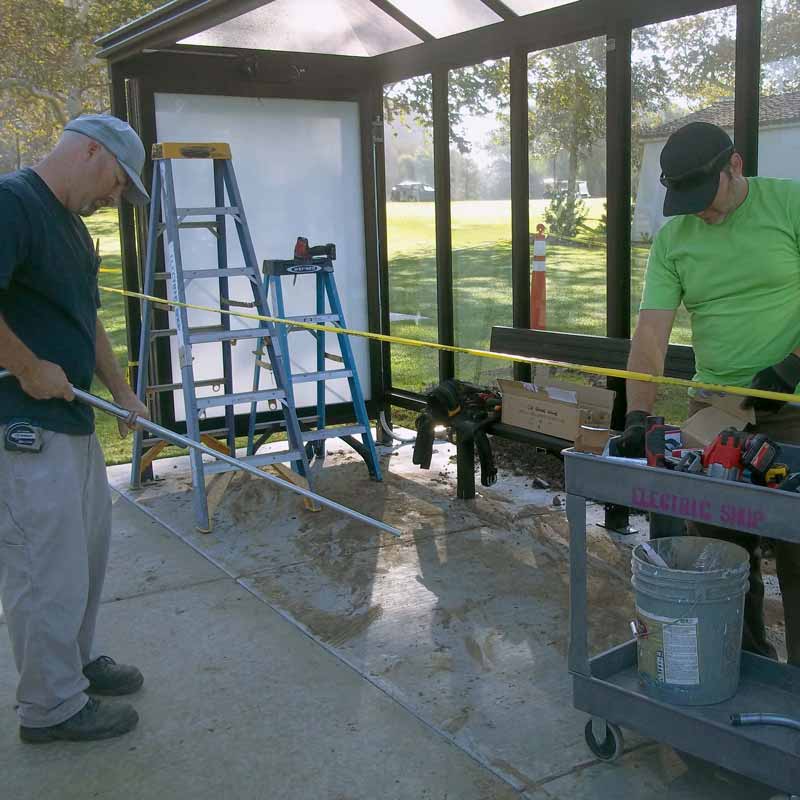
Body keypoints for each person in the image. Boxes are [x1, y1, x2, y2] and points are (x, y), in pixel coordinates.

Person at [618, 121, 800, 665]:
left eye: (709, 198)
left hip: (793, 408)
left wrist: (791, 367)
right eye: (690, 202)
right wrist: (637, 414)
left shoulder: (788, 205)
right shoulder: (676, 239)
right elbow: (651, 335)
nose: (704, 213)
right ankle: (742, 667)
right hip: (717, 413)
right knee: (720, 554)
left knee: (798, 552)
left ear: (736, 165)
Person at [0, 114, 151, 742]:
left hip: (74, 418)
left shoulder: (72, 231)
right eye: (117, 182)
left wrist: (122, 392)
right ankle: (50, 707)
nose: (113, 197)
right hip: (26, 424)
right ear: (90, 150)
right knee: (44, 568)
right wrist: (28, 365)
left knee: (84, 559)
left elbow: (85, 321)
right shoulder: (13, 204)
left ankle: (75, 664)